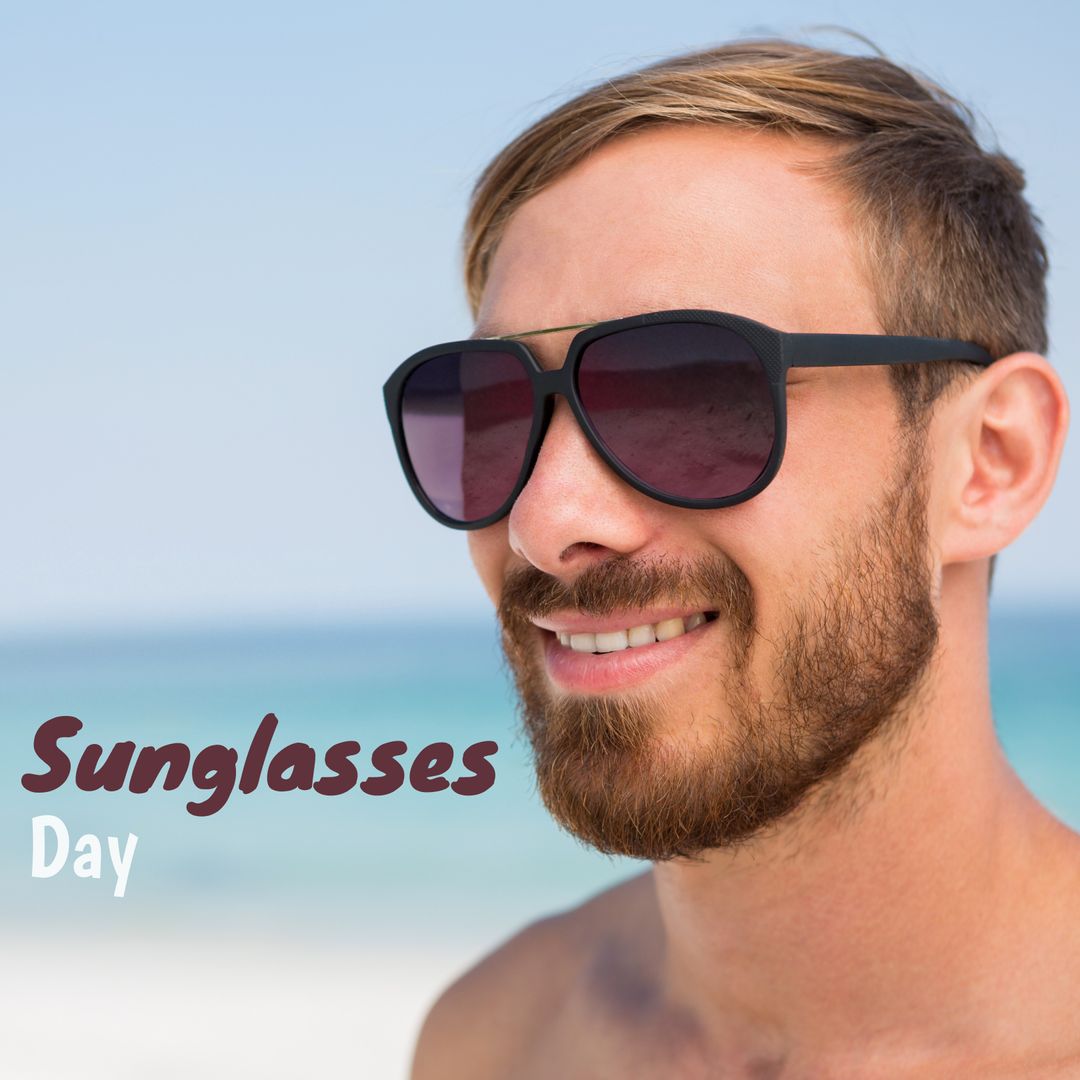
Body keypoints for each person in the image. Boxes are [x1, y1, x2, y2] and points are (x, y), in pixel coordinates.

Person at [387, 35, 1079, 1078]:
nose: (545, 517)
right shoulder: (496, 1037)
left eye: (689, 390)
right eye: (494, 408)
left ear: (990, 462)